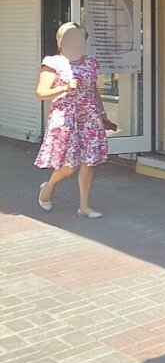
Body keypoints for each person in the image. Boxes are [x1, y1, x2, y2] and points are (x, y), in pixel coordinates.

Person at [35, 23, 117, 218]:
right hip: (65, 118)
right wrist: (64, 88)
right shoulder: (53, 63)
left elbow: (93, 90)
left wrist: (103, 115)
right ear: (61, 42)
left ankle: (84, 206)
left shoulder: (91, 63)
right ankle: (48, 188)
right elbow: (40, 93)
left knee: (89, 161)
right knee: (69, 166)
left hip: (89, 117)